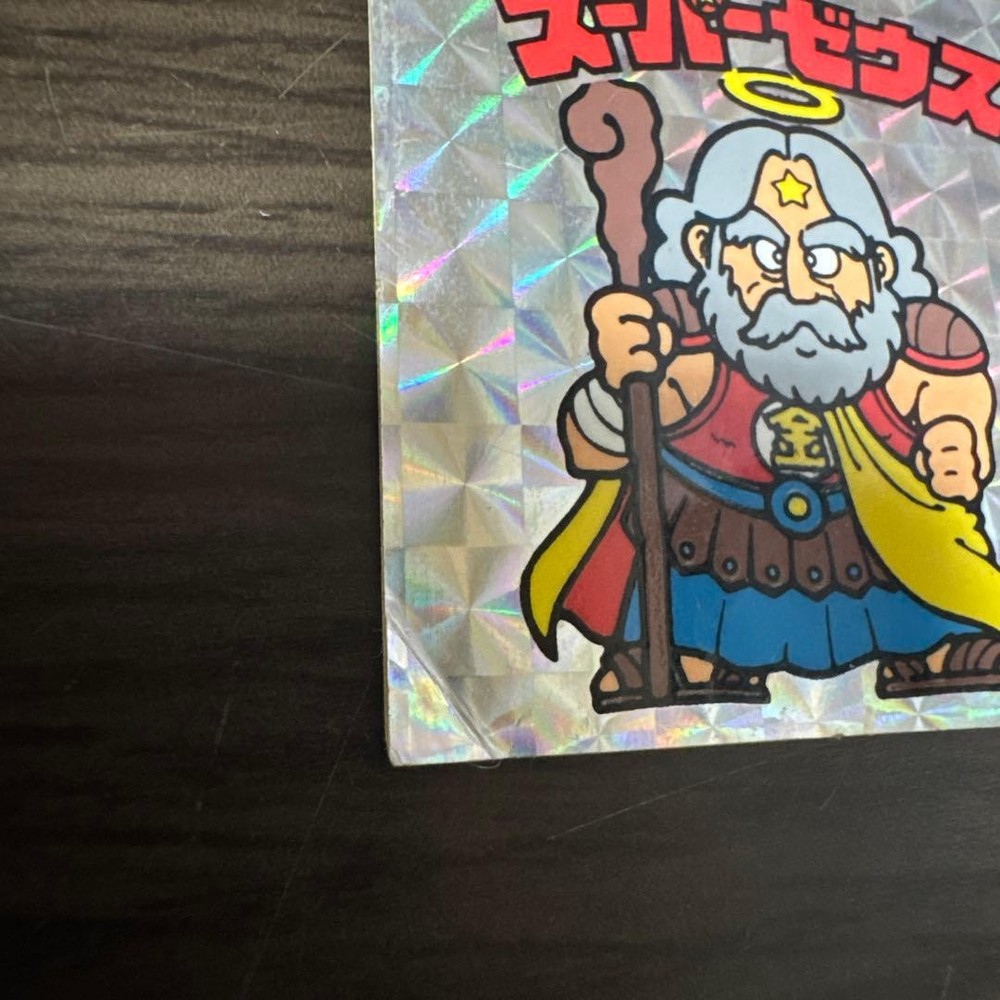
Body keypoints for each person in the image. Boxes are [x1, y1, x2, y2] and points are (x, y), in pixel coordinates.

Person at [523, 120, 1000, 713]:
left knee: (931, 602)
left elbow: (952, 401)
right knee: (695, 623)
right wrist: (620, 379)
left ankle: (931, 641)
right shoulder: (678, 337)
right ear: (705, 248)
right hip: (717, 545)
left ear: (878, 264)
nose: (798, 284)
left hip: (874, 547)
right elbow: (596, 448)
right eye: (766, 253)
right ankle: (690, 654)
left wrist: (956, 439)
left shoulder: (917, 340)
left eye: (827, 256)